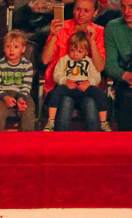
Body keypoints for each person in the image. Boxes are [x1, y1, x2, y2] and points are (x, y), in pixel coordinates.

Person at [41, 0, 106, 130]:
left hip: (86, 86)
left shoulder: (98, 31)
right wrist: (54, 35)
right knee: (66, 102)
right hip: (61, 86)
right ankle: (60, 145)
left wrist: (92, 42)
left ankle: (96, 145)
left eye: (86, 11)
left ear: (95, 12)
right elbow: (45, 60)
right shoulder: (62, 27)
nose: (81, 14)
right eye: (78, 9)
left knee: (90, 103)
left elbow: (99, 67)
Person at [44, 31, 111, 130]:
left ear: (86, 52)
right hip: (68, 87)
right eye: (72, 50)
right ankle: (51, 121)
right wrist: (65, 81)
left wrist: (88, 82)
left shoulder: (89, 61)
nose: (75, 54)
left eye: (79, 51)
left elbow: (96, 76)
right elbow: (57, 75)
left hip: (84, 87)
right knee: (55, 93)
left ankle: (103, 122)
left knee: (99, 93)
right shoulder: (64, 60)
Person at [0, 30, 36, 132]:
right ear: (4, 48)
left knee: (28, 110)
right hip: (3, 94)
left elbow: (26, 86)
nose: (11, 50)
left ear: (23, 49)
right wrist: (5, 97)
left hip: (21, 93)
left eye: (15, 47)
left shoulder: (27, 65)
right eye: (8, 47)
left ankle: (27, 140)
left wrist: (21, 98)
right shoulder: (0, 64)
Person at [105, 0, 132, 130]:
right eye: (123, 6)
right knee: (127, 97)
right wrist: (126, 75)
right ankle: (126, 146)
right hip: (125, 82)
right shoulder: (113, 27)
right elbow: (110, 64)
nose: (126, 11)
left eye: (131, 6)